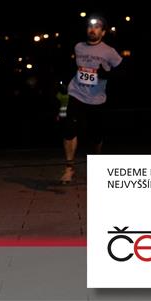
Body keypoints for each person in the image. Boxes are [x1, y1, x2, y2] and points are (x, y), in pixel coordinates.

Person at [60, 14, 123, 184]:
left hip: (96, 99)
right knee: (69, 129)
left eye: (97, 27)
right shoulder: (78, 47)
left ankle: (96, 160)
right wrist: (64, 82)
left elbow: (122, 72)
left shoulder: (109, 51)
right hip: (76, 93)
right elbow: (70, 66)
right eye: (90, 27)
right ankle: (69, 168)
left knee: (96, 136)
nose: (92, 30)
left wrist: (106, 74)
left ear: (103, 32)